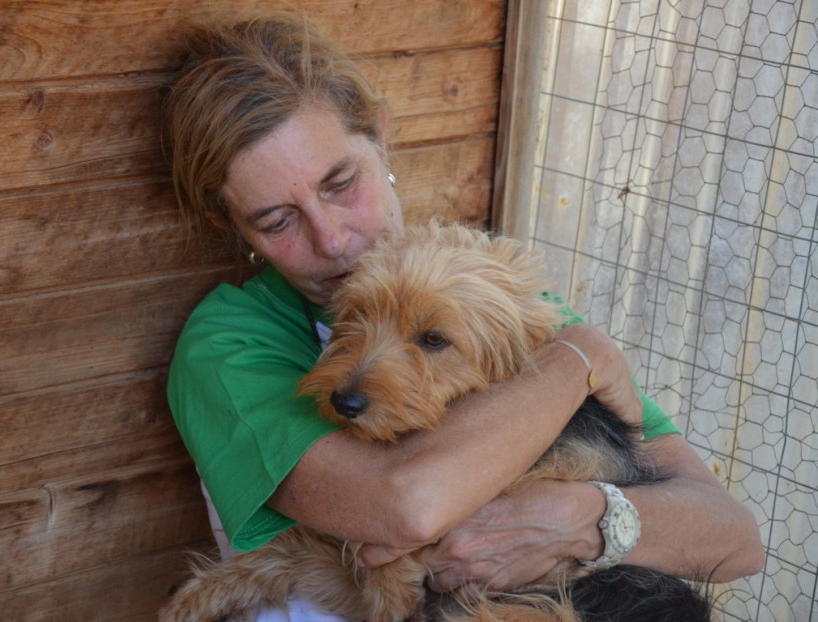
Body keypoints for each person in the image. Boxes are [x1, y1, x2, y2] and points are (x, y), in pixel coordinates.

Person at [163, 12, 764, 620]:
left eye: (341, 182)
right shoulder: (231, 340)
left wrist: (588, 521)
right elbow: (408, 513)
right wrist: (585, 357)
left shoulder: (507, 306)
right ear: (232, 227)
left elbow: (734, 538)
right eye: (276, 220)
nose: (333, 239)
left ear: (381, 137)